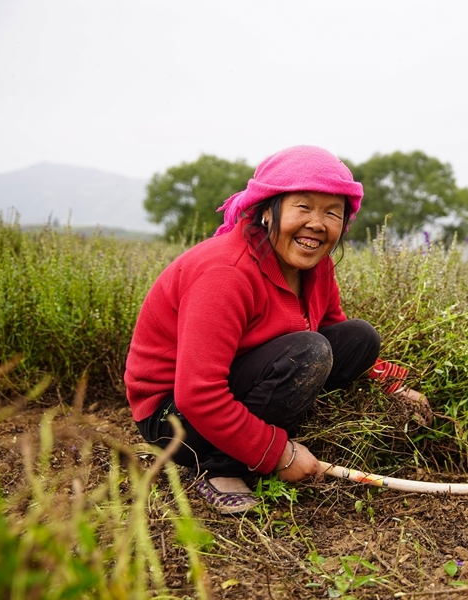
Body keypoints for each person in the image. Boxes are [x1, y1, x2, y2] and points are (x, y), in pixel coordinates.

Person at [124, 145, 431, 514]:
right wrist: (279, 454)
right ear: (268, 211)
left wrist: (393, 385)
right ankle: (218, 467)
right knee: (308, 352)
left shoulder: (316, 266)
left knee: (359, 338)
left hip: (238, 380)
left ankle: (255, 433)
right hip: (174, 418)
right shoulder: (226, 274)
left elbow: (333, 328)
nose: (317, 224)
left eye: (332, 213)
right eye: (303, 207)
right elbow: (197, 394)